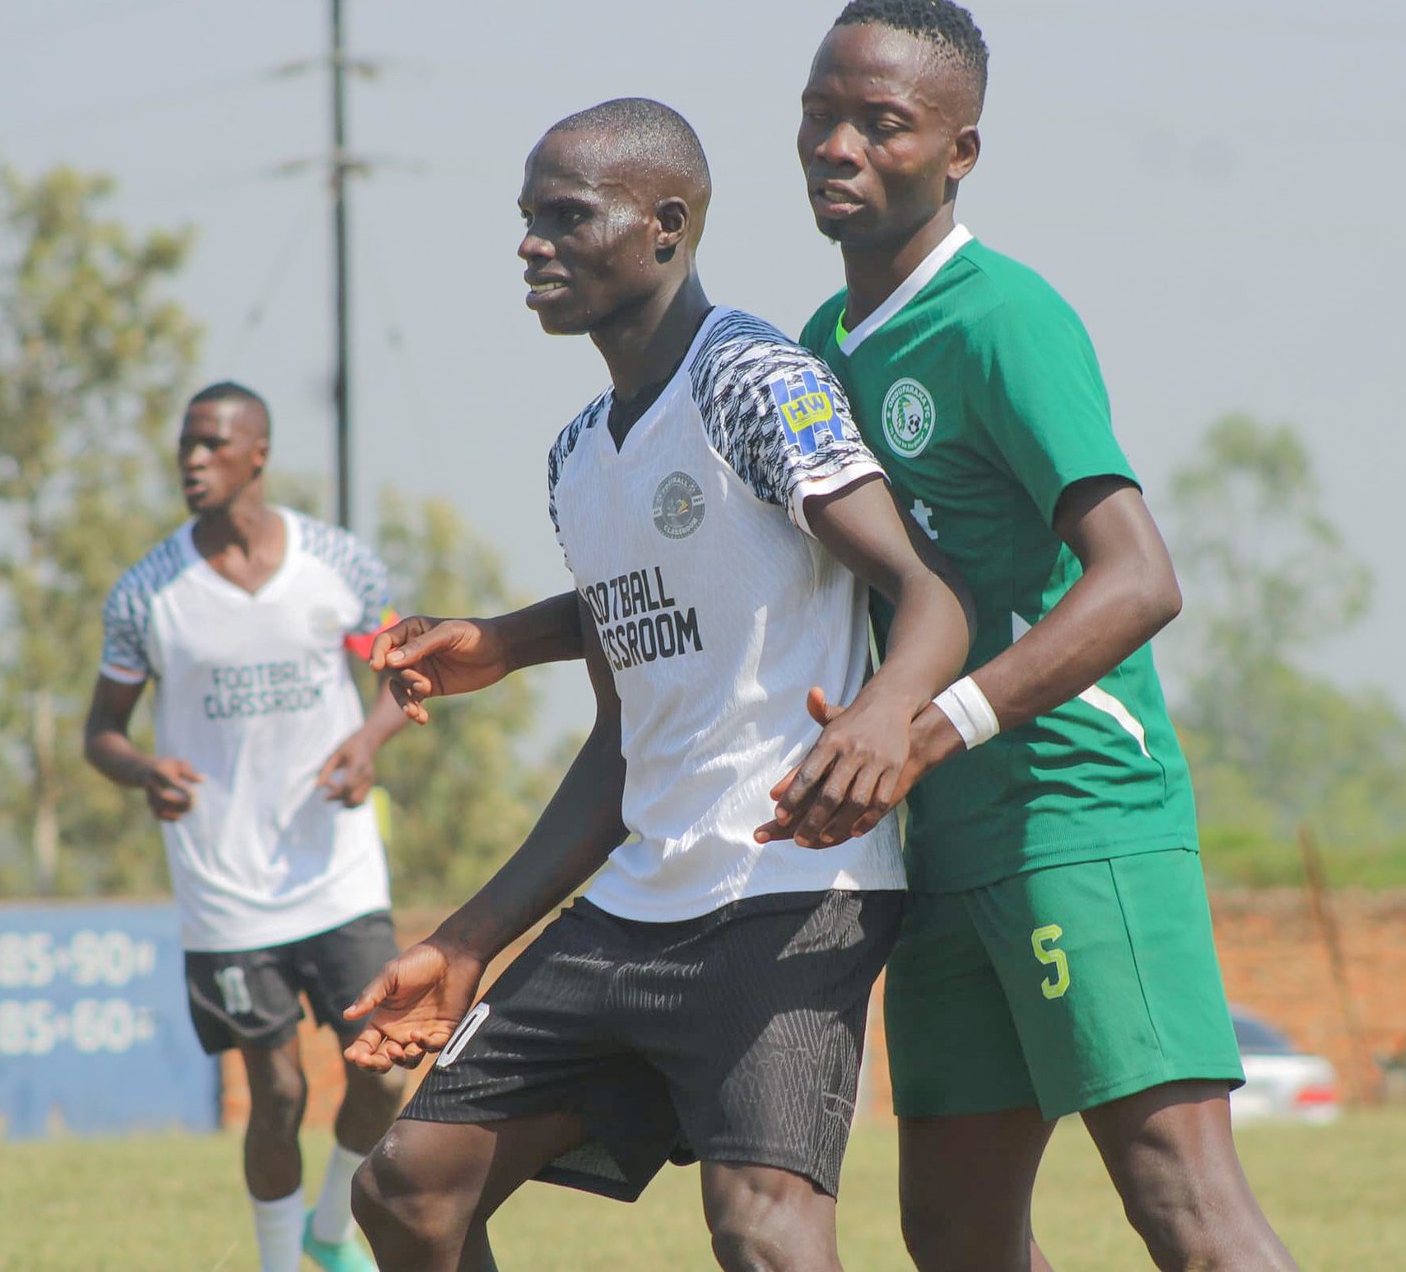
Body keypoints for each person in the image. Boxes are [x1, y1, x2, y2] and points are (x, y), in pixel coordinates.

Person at [365, 0, 1300, 1272]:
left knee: (1179, 1203)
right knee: (954, 1236)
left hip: (1068, 814)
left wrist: (924, 721)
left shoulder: (999, 318)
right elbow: (710, 596)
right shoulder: (807, 351)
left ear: (958, 151)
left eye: (882, 123)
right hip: (913, 825)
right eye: (817, 118)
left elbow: (1136, 579)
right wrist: (516, 639)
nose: (837, 148)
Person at [339, 97, 970, 1272]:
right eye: (526, 220)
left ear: (665, 225)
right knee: (408, 1191)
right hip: (638, 901)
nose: (533, 245)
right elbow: (623, 738)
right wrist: (469, 942)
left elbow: (928, 589)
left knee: (762, 1233)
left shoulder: (751, 378)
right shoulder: (577, 454)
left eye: (567, 217)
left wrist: (889, 712)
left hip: (789, 891)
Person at [84, 381, 410, 1272]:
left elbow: (402, 677)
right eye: (185, 443)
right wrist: (144, 768)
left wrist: (369, 739)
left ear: (256, 453)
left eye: (212, 443)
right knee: (276, 1090)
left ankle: (332, 1229)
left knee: (382, 1069)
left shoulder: (337, 564)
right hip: (225, 893)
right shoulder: (148, 593)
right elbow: (100, 732)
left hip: (337, 875)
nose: (192, 458)